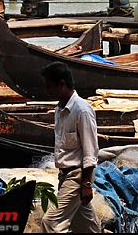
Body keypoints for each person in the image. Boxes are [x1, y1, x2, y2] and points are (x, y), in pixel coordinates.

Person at [40, 62, 100, 233]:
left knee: (50, 223)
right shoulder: (59, 110)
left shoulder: (82, 111)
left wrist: (87, 184)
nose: (47, 91)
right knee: (86, 225)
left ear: (62, 84)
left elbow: (90, 151)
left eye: (49, 86)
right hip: (65, 175)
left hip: (77, 176)